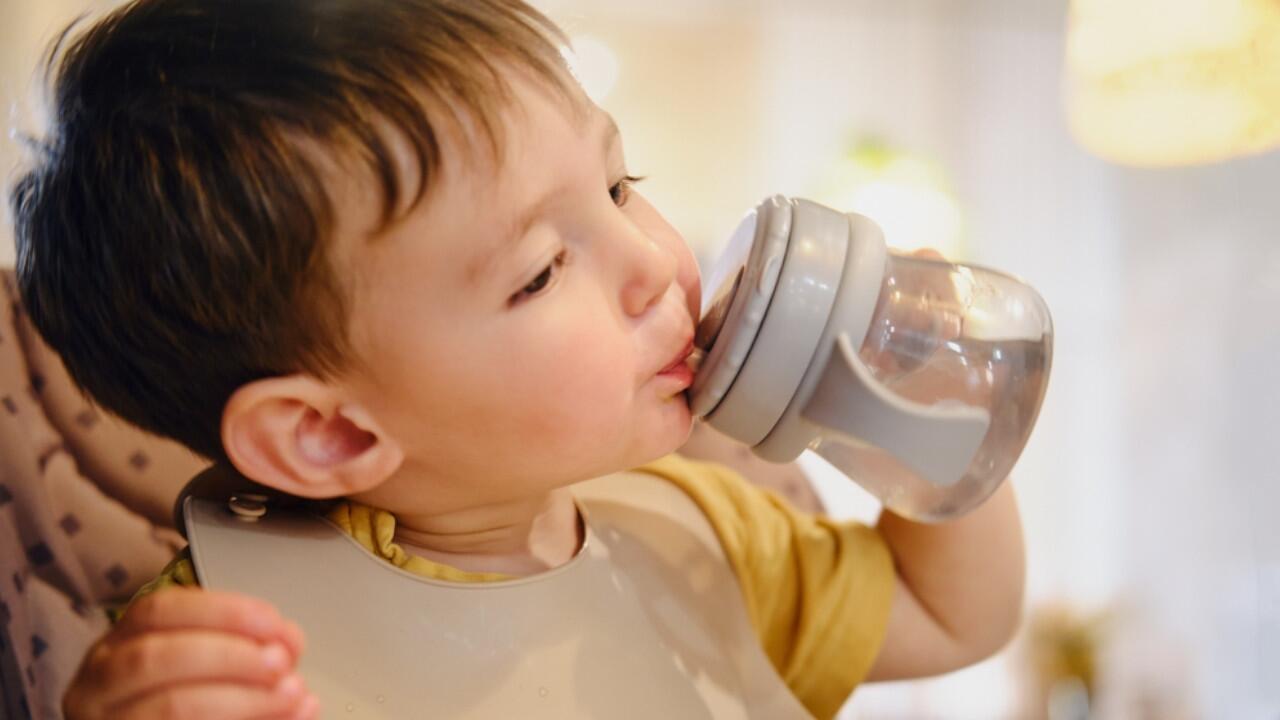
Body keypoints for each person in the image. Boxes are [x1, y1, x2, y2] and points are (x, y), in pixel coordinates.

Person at [9, 1, 1025, 718]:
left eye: (620, 184)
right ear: (328, 432)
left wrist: (934, 423)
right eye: (540, 271)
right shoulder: (232, 647)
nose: (652, 266)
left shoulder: (699, 535)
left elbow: (945, 619)